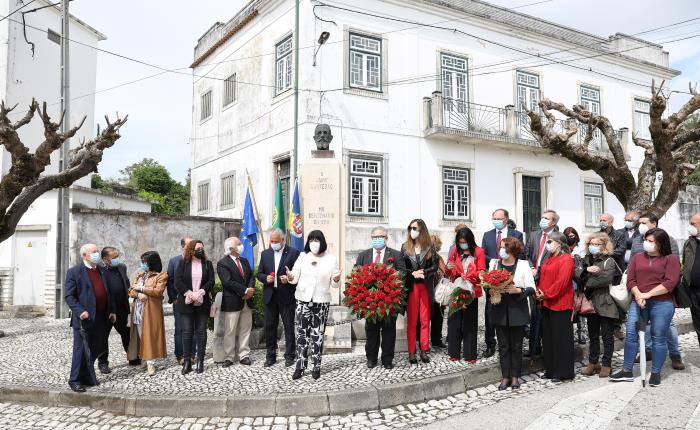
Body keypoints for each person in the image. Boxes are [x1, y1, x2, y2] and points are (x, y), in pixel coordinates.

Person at [610, 228, 681, 387]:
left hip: (662, 303)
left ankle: (655, 372)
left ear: (661, 243)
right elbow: (631, 280)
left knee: (658, 337)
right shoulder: (637, 257)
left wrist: (647, 295)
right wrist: (638, 295)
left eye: (651, 241)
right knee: (631, 334)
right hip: (638, 301)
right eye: (646, 240)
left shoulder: (671, 259)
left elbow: (670, 283)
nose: (646, 243)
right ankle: (627, 370)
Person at [630, 213, 684, 369]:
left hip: (661, 293)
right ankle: (648, 350)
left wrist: (655, 290)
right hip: (641, 292)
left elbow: (672, 266)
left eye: (644, 222)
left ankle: (675, 354)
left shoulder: (668, 240)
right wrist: (637, 291)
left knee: (667, 326)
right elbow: (633, 263)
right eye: (639, 223)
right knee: (645, 324)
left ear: (654, 223)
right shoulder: (637, 240)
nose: (640, 225)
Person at [286, 230, 341, 380]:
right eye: (311, 240)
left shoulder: (331, 259)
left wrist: (336, 279)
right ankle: (300, 366)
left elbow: (335, 284)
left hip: (321, 302)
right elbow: (294, 277)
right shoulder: (303, 256)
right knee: (302, 334)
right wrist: (290, 276)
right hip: (303, 300)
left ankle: (316, 366)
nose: (313, 243)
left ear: (322, 242)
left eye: (316, 240)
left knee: (318, 335)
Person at [64, 244, 116, 392]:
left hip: (101, 317)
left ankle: (86, 376)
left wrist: (112, 310)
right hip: (84, 319)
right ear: (84, 255)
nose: (97, 254)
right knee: (80, 350)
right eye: (93, 252)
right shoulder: (74, 272)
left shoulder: (101, 270)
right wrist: (80, 311)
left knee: (95, 348)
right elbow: (69, 296)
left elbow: (108, 292)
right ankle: (74, 380)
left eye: (97, 251)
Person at [355, 226, 406, 369]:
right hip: (369, 301)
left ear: (386, 238)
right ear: (371, 238)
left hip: (389, 300)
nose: (377, 239)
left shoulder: (396, 255)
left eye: (381, 237)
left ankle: (387, 359)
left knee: (389, 331)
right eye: (375, 237)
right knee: (371, 330)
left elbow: (402, 273)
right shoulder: (363, 255)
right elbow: (356, 274)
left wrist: (389, 282)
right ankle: (371, 358)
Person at [490, 237, 535, 390]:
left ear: (512, 250)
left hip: (517, 310)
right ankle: (505, 377)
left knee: (516, 345)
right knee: (503, 345)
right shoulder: (494, 263)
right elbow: (487, 283)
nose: (501, 250)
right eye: (500, 247)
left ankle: (515, 376)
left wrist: (518, 290)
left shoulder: (523, 265)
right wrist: (490, 290)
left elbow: (531, 288)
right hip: (499, 309)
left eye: (504, 248)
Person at [481, 209, 524, 359]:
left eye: (498, 218)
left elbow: (520, 253)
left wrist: (506, 261)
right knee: (490, 311)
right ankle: (490, 344)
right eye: (494, 218)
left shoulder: (517, 234)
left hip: (510, 278)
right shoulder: (487, 235)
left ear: (506, 219)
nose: (496, 221)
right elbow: (483, 254)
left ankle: (507, 343)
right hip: (492, 278)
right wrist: (495, 261)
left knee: (509, 310)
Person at [576, 232, 619, 378]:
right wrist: (586, 270)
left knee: (607, 336)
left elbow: (605, 279)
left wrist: (585, 281)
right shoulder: (586, 260)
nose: (593, 246)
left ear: (604, 246)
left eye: (597, 244)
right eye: (591, 244)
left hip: (605, 302)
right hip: (590, 303)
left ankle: (606, 364)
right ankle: (593, 362)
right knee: (593, 335)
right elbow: (576, 274)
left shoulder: (609, 261)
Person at [257, 229, 301, 368]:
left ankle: (290, 355)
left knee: (288, 326)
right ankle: (270, 356)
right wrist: (266, 278)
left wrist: (289, 278)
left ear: (283, 240)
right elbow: (259, 273)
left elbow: (298, 274)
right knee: (270, 327)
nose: (273, 243)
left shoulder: (293, 252)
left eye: (276, 241)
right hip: (270, 295)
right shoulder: (265, 254)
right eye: (271, 241)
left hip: (286, 295)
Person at [534, 231, 575, 382]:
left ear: (559, 243)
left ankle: (563, 372)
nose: (548, 244)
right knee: (549, 338)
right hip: (546, 302)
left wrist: (546, 294)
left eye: (551, 241)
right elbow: (543, 276)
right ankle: (550, 370)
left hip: (560, 303)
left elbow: (561, 282)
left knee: (561, 339)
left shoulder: (566, 259)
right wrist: (538, 292)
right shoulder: (550, 258)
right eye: (548, 241)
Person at [401, 219, 438, 364]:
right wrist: (412, 273)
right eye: (410, 228)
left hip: (425, 286)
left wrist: (424, 272)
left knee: (424, 320)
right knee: (412, 321)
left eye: (415, 228)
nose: (412, 231)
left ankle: (424, 349)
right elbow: (402, 268)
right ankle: (411, 352)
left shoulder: (429, 246)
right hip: (412, 287)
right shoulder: (405, 247)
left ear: (422, 230)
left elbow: (434, 266)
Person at [446, 227, 485, 362]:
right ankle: (454, 352)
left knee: (470, 322)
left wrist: (469, 274)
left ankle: (470, 354)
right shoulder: (455, 251)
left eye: (465, 242)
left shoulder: (479, 251)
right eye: (460, 242)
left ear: (470, 240)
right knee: (454, 321)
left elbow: (481, 271)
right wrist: (449, 268)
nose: (463, 244)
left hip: (471, 289)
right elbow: (449, 271)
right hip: (456, 288)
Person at [175, 240, 215, 374]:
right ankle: (187, 361)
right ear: (191, 250)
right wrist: (190, 293)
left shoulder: (207, 264)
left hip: (202, 302)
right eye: (198, 248)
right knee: (187, 332)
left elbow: (211, 281)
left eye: (202, 248)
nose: (201, 250)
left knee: (201, 332)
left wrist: (201, 292)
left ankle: (200, 361)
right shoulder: (183, 263)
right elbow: (178, 281)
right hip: (186, 302)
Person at [524, 209, 560, 357]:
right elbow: (526, 254)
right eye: (542, 217)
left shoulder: (558, 237)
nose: (543, 220)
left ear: (554, 222)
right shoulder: (534, 235)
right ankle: (534, 348)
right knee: (534, 315)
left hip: (548, 279)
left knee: (546, 315)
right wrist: (531, 267)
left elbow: (559, 258)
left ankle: (549, 348)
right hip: (533, 279)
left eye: (546, 218)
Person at [127, 251, 168, 376]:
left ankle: (151, 363)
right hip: (138, 310)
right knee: (141, 335)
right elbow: (130, 290)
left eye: (144, 262)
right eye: (142, 262)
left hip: (151, 311)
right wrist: (138, 294)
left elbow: (158, 291)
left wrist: (141, 288)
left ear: (152, 262)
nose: (142, 264)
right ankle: (145, 359)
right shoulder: (140, 275)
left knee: (150, 336)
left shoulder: (161, 276)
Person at [217, 237, 256, 367]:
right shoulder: (223, 263)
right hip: (232, 301)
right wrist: (244, 290)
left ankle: (244, 355)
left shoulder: (244, 260)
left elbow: (251, 277)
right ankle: (229, 357)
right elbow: (227, 282)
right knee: (230, 330)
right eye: (239, 244)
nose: (241, 245)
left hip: (247, 301)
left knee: (245, 329)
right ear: (232, 248)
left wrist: (250, 290)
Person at [97, 247, 133, 373]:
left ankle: (132, 357)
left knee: (127, 333)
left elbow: (126, 283)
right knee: (102, 337)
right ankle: (103, 363)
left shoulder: (122, 267)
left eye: (117, 256)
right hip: (105, 310)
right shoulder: (99, 270)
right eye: (114, 257)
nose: (117, 259)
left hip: (121, 308)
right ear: (105, 259)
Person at [166, 237, 196, 365]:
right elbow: (170, 281)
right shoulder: (174, 261)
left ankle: (192, 354)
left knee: (193, 328)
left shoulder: (196, 260)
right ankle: (180, 355)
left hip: (195, 300)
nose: (192, 246)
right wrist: (173, 298)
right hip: (179, 301)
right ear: (183, 246)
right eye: (189, 244)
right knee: (179, 328)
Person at [564, 227, 587, 345]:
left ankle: (582, 334)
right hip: (567, 280)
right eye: (568, 236)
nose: (570, 238)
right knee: (570, 308)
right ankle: (569, 335)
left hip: (578, 280)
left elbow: (584, 262)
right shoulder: (563, 248)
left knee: (580, 307)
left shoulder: (580, 247)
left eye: (572, 236)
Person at [683, 213, 700, 348]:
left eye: (693, 224)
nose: (690, 226)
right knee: (698, 325)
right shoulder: (689, 243)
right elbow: (685, 263)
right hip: (693, 291)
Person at [428, 234, 448, 349]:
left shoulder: (439, 258)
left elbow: (444, 272)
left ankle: (435, 340)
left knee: (437, 317)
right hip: (431, 291)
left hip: (437, 292)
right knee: (432, 318)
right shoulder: (426, 257)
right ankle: (433, 340)